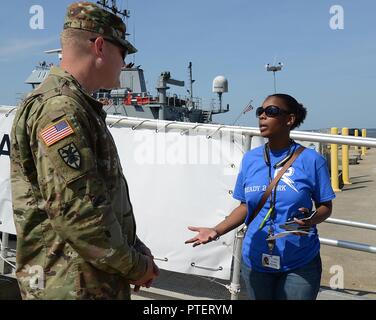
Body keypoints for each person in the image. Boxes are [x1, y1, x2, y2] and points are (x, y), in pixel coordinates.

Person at [10, 1, 159, 300]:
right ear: (100, 47)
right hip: (72, 288)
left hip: (86, 282)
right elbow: (80, 215)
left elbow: (99, 198)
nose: (125, 64)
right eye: (123, 53)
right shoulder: (61, 108)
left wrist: (135, 249)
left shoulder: (76, 107)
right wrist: (135, 266)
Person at [186, 93, 335, 300]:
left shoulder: (312, 160)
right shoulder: (250, 159)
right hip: (255, 259)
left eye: (271, 111)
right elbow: (245, 206)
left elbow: (325, 206)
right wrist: (215, 230)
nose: (262, 116)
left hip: (298, 261)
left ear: (289, 120)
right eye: (260, 112)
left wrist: (311, 219)